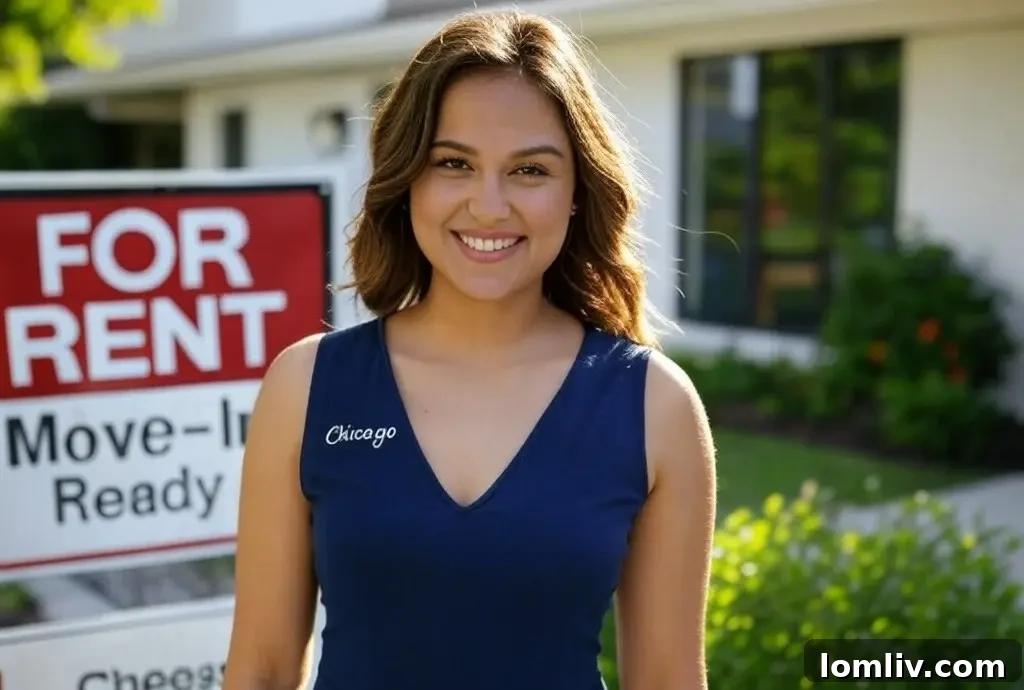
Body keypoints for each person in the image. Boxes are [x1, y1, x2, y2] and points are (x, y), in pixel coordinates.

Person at [222, 9, 716, 690]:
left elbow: (667, 682)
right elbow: (263, 670)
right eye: (453, 163)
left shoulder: (654, 406)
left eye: (530, 171)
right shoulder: (307, 387)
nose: (488, 205)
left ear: (577, 191)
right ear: (407, 182)